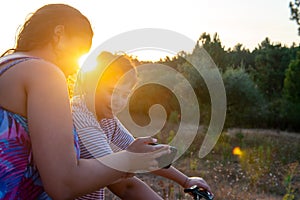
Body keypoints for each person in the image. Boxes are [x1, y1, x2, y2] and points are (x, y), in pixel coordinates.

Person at [0, 4, 170, 199]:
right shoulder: (45, 73)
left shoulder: (8, 67)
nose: (74, 68)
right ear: (58, 34)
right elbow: (63, 183)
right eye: (79, 51)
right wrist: (129, 159)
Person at [72, 51, 212, 199]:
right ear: (91, 85)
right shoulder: (80, 116)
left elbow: (140, 154)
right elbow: (121, 178)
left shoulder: (107, 119)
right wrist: (135, 158)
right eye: (112, 92)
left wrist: (186, 180)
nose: (117, 101)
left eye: (125, 95)